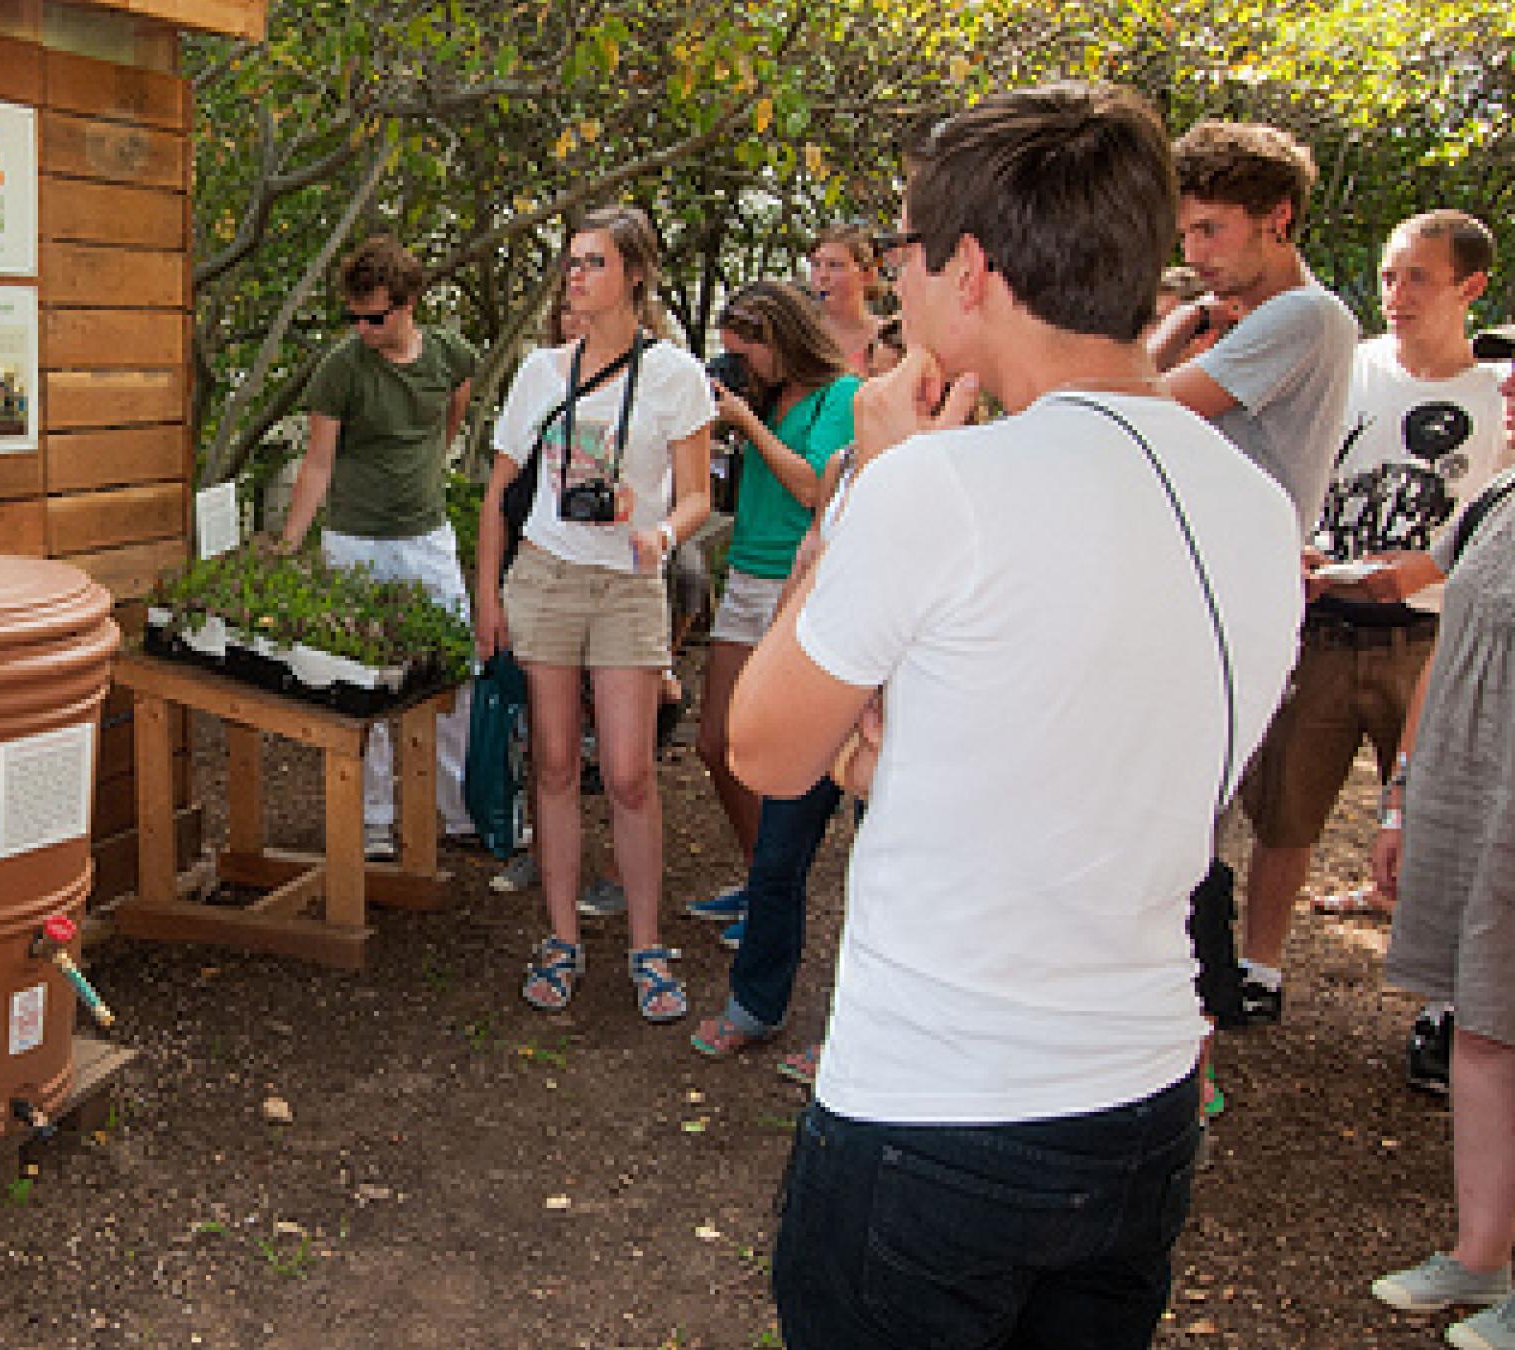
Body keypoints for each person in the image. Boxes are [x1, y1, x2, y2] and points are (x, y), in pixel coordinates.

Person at [741, 83, 1301, 1347]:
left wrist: (867, 485)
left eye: (903, 257)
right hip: (1145, 1107)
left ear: (974, 269)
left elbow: (768, 751)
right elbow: (1081, 769)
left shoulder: (938, 490)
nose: (893, 293)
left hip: (937, 1117)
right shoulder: (1257, 508)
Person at [473, 205, 713, 1022]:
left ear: (635, 274)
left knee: (630, 771)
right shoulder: (542, 371)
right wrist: (486, 599)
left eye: (592, 262)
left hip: (626, 584)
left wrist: (657, 530)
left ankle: (648, 946)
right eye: (570, 261)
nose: (574, 275)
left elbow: (699, 497)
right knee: (550, 764)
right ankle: (562, 938)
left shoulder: (677, 375)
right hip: (545, 575)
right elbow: (500, 491)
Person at [1148, 117, 1360, 1028]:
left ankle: (1187, 1013)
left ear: (1277, 219)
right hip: (1211, 585)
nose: (1194, 253)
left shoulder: (1303, 317)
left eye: (1212, 230)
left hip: (1225, 594)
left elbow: (1143, 406)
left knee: (1180, 816)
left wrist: (1175, 329)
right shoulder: (1275, 316)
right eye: (1186, 233)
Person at [1365, 317, 1515, 1350]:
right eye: (1512, 361)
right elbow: (1446, 640)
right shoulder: (1503, 493)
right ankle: (1479, 1254)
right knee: (1485, 1026)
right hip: (1476, 811)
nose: (1509, 382)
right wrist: (1405, 794)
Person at [1296, 212, 1509, 933]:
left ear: (1470, 286)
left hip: (1435, 633)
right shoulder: (1350, 367)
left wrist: (1429, 569)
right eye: (1390, 275)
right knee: (1285, 813)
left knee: (1437, 816)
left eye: (1418, 276)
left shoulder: (1500, 394)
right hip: (1329, 616)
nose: (1396, 292)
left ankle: (1438, 994)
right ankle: (1260, 968)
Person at [275, 236, 479, 861]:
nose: (362, 328)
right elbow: (317, 463)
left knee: (452, 671)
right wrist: (290, 544)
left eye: (376, 316)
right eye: (354, 317)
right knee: (359, 679)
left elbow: (451, 416)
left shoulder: (448, 355)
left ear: (409, 303)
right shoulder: (343, 367)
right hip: (355, 541)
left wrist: (427, 473)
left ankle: (456, 808)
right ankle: (373, 820)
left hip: (426, 536)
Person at [686, 280, 858, 923]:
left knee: (783, 755)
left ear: (782, 341)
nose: (742, 366)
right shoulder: (763, 396)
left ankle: (774, 898)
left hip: (797, 581)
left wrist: (750, 424)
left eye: (747, 353)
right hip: (745, 574)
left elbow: (814, 486)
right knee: (714, 742)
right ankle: (766, 882)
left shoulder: (841, 396)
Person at [807, 224, 886, 372]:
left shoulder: (889, 338)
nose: (822, 275)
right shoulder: (802, 336)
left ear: (867, 274)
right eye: (816, 265)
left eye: (835, 265)